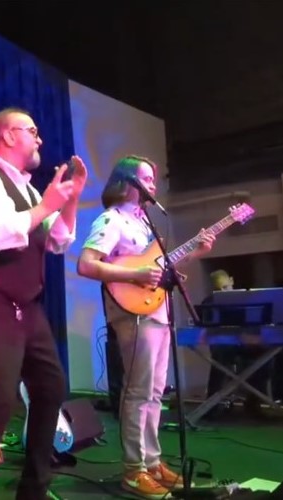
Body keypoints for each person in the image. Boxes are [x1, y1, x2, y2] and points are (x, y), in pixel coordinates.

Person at [0, 107, 85, 499]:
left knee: (51, 386)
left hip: (26, 303)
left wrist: (70, 200)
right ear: (9, 135)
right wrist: (47, 204)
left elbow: (58, 242)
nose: (39, 138)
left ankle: (33, 489)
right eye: (32, 130)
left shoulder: (30, 192)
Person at [77, 155, 214, 498]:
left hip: (158, 311)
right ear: (128, 182)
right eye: (147, 179)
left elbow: (155, 267)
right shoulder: (112, 219)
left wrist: (194, 252)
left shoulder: (144, 224)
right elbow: (87, 264)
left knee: (154, 391)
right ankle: (133, 469)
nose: (154, 185)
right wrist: (135, 274)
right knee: (138, 392)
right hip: (133, 314)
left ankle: (151, 462)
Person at [204, 269, 271, 418]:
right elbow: (206, 324)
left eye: (225, 287)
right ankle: (211, 407)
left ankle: (254, 402)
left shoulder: (247, 299)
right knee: (219, 359)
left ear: (232, 281)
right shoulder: (209, 302)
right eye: (219, 290)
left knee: (267, 355)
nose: (223, 292)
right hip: (223, 345)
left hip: (245, 343)